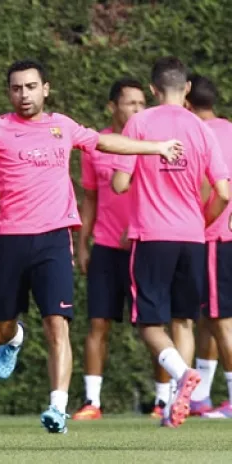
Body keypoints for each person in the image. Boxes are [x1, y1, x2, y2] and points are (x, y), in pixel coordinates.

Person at [0, 59, 182, 434]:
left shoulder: (62, 126)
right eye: (17, 88)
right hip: (11, 240)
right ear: (9, 92)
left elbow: (104, 141)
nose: (24, 95)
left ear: (46, 89)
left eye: (31, 87)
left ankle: (58, 408)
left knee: (58, 324)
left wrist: (157, 147)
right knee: (1, 327)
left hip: (55, 238)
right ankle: (15, 338)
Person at [111, 57, 230, 428]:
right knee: (184, 322)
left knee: (148, 322)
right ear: (188, 90)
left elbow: (119, 184)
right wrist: (202, 220)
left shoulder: (140, 122)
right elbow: (224, 193)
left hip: (152, 235)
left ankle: (182, 377)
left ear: (152, 89)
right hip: (193, 238)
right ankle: (177, 404)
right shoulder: (202, 128)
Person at [72, 78, 147, 420]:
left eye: (142, 104)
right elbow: (90, 198)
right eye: (130, 103)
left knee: (154, 323)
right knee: (98, 324)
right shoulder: (96, 147)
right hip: (104, 246)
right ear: (112, 107)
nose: (137, 110)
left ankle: (164, 402)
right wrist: (82, 244)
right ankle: (93, 403)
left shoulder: (151, 145)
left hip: (144, 245)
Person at [184, 73, 232, 419]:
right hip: (224, 236)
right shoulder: (229, 129)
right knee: (208, 317)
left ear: (187, 102)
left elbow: (213, 189)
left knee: (221, 320)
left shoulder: (197, 133)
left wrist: (197, 225)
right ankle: (200, 396)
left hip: (215, 236)